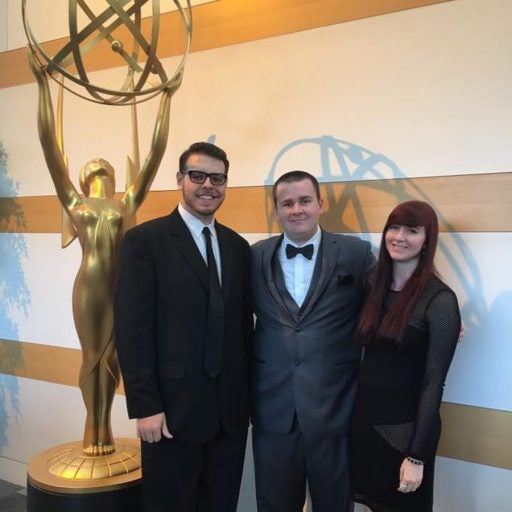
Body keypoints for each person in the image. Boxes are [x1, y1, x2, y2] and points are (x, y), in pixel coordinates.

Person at [28, 48, 176, 455]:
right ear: (86, 175)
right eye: (94, 163)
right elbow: (48, 145)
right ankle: (95, 426)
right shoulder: (75, 204)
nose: (101, 163)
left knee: (116, 356)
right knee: (92, 355)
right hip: (90, 285)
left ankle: (105, 428)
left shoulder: (127, 202)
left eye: (105, 163)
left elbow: (155, 153)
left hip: (124, 286)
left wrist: (166, 99)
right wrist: (43, 85)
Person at [114, 142, 253, 512]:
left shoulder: (238, 247)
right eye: (198, 175)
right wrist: (145, 406)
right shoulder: (145, 241)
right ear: (180, 180)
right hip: (170, 413)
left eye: (218, 178)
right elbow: (132, 329)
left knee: (220, 503)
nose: (208, 185)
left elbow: (242, 332)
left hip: (229, 414)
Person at [251, 170, 376, 512]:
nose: (296, 210)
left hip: (334, 407)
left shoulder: (356, 253)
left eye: (305, 201)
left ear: (320, 204)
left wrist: (431, 316)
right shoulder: (254, 256)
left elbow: (386, 301)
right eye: (287, 203)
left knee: (335, 505)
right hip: (273, 408)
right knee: (274, 504)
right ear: (276, 210)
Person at [351, 200, 461, 512]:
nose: (399, 236)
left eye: (412, 230)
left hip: (403, 436)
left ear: (428, 240)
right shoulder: (373, 285)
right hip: (362, 424)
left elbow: (433, 384)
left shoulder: (439, 300)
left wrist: (416, 457)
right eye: (394, 227)